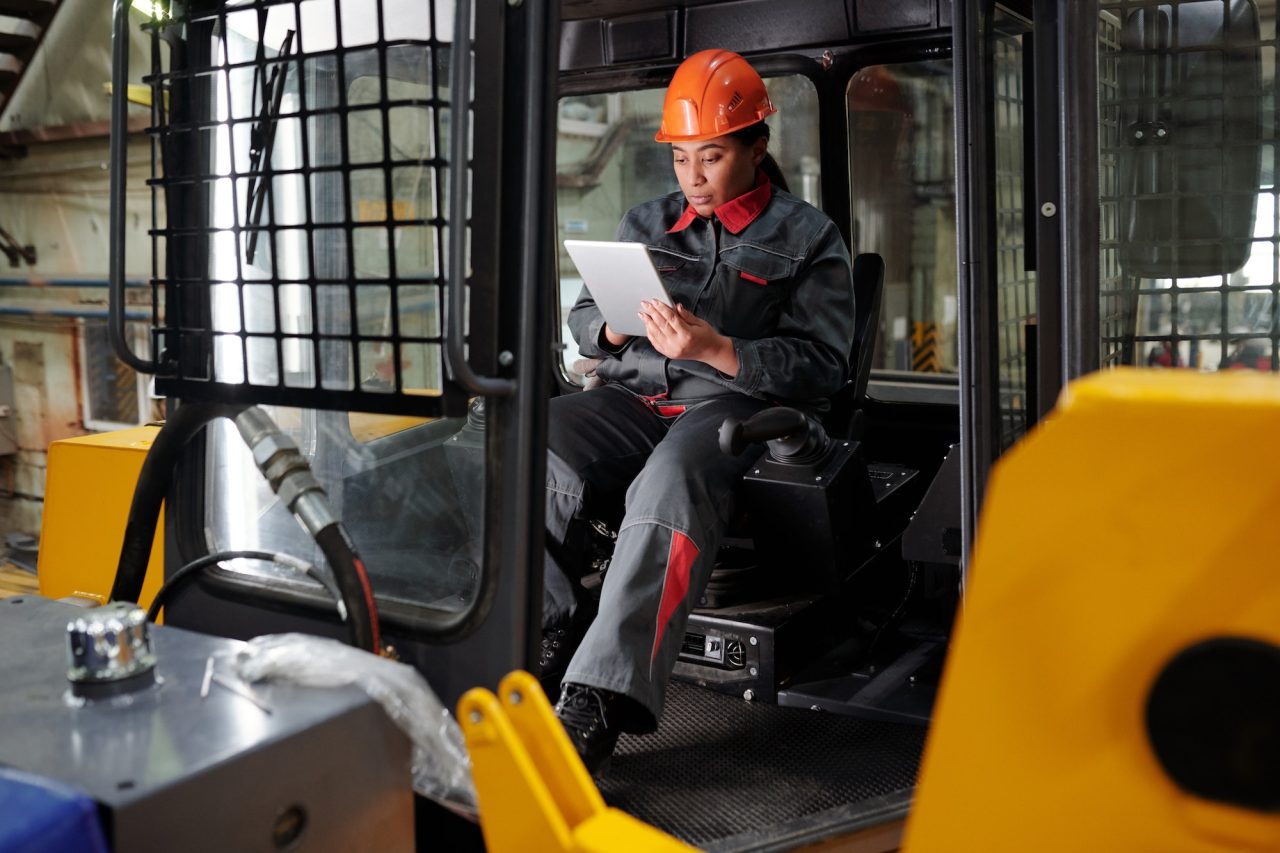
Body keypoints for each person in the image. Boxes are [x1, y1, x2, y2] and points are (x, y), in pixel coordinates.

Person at [542, 49, 856, 773]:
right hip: (630, 397)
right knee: (529, 443)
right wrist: (614, 326)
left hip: (728, 407)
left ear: (757, 147)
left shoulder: (807, 239)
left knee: (667, 485)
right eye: (681, 158)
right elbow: (586, 319)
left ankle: (597, 696)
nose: (692, 176)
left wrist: (720, 349)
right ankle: (547, 633)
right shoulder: (645, 220)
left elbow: (823, 365)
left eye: (711, 156)